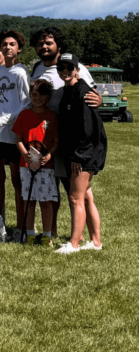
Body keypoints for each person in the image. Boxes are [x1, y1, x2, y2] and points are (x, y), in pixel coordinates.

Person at [29, 26, 101, 236]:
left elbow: (92, 94)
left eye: (49, 42)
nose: (44, 46)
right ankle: (51, 232)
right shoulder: (36, 68)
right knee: (52, 190)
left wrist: (101, 99)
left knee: (79, 192)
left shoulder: (76, 68)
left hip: (71, 139)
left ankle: (87, 238)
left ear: (58, 46)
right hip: (47, 138)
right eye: (40, 43)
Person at [54, 53, 106, 254]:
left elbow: (88, 129)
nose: (65, 71)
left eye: (69, 67)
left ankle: (73, 244)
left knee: (75, 197)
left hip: (84, 154)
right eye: (61, 68)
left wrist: (78, 157)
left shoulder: (83, 92)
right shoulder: (69, 90)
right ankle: (95, 242)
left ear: (77, 69)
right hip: (77, 152)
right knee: (85, 197)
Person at [0, 30, 30, 236]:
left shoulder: (21, 73)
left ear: (19, 48)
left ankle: (21, 227)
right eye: (4, 44)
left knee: (17, 182)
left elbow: (25, 106)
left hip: (13, 135)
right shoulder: (1, 71)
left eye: (12, 44)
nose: (7, 48)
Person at [12, 80, 59, 246]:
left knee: (46, 202)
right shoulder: (24, 115)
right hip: (26, 166)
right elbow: (18, 139)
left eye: (42, 94)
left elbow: (55, 141)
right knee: (29, 201)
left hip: (46, 168)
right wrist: (25, 154)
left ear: (48, 97)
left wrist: (49, 155)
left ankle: (47, 235)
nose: (38, 98)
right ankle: (30, 233)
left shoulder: (52, 116)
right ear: (30, 95)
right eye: (34, 94)